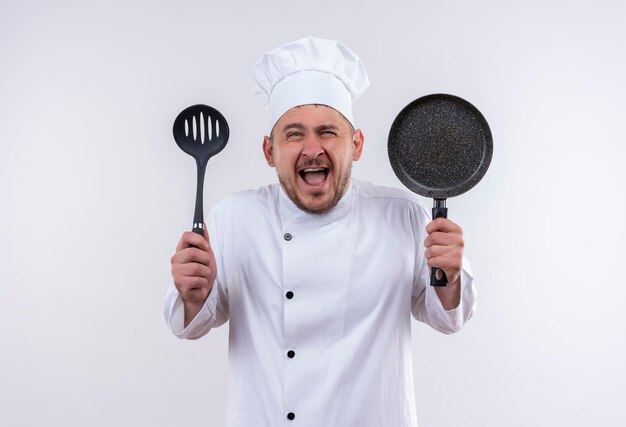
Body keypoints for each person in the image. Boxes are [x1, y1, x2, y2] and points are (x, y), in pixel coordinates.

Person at [164, 37, 477, 427]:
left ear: (357, 144)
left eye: (328, 132)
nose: (312, 149)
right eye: (294, 134)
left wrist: (449, 274)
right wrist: (192, 294)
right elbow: (188, 325)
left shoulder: (403, 215)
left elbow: (449, 319)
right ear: (268, 151)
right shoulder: (234, 217)